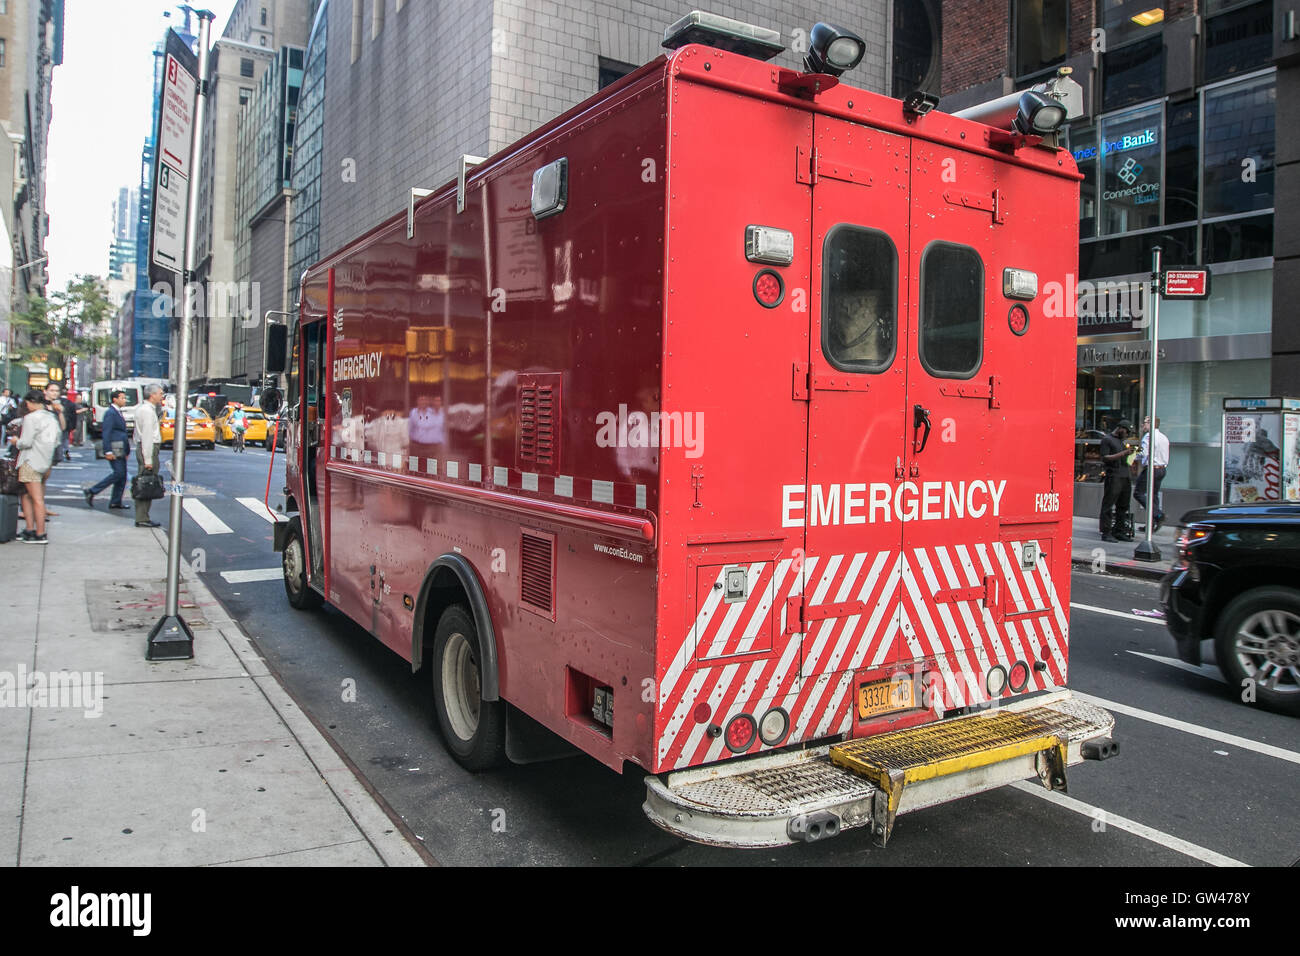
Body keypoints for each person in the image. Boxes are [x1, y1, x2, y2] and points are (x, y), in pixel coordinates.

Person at [9, 390, 59, 543]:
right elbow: (56, 441)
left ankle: (39, 532)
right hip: (45, 461)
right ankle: (31, 530)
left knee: (34, 498)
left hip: (30, 461)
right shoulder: (51, 418)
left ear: (31, 402)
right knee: (30, 496)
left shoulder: (31, 418)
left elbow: (26, 442)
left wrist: (15, 441)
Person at [84, 389, 131, 511]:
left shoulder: (118, 412)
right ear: (115, 399)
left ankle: (116, 501)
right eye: (122, 398)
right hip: (114, 448)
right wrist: (108, 451)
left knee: (122, 476)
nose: (124, 400)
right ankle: (92, 491)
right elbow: (107, 432)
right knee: (119, 473)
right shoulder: (110, 413)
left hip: (121, 448)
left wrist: (127, 450)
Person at [134, 384, 165, 527]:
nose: (162, 396)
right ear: (152, 395)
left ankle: (143, 516)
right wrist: (148, 459)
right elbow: (146, 436)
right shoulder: (147, 411)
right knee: (146, 483)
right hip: (148, 449)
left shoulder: (145, 409)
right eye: (160, 393)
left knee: (146, 482)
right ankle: (142, 517)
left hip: (147, 448)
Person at [1098, 419, 1134, 542]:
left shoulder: (1121, 442)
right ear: (1120, 428)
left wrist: (1131, 456)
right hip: (1113, 476)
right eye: (1127, 431)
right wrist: (1123, 453)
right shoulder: (1107, 440)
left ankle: (1119, 530)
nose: (1127, 434)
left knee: (1123, 505)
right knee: (1108, 504)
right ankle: (1106, 532)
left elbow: (1125, 459)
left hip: (1125, 476)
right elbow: (1105, 457)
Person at [1133, 415, 1169, 532]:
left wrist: (1131, 456)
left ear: (1151, 424)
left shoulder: (1148, 436)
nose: (1143, 425)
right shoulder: (1163, 437)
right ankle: (1152, 523)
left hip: (1152, 469)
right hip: (1161, 469)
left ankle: (1158, 515)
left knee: (1138, 493)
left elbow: (1143, 452)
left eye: (1145, 422)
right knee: (1153, 495)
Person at [408, 393, 446, 465]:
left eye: (425, 399)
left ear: (428, 401)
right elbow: (413, 427)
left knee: (432, 470)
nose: (423, 402)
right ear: (417, 401)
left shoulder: (435, 412)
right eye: (421, 399)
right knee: (416, 469)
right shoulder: (413, 412)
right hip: (417, 446)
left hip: (433, 447)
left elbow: (442, 429)